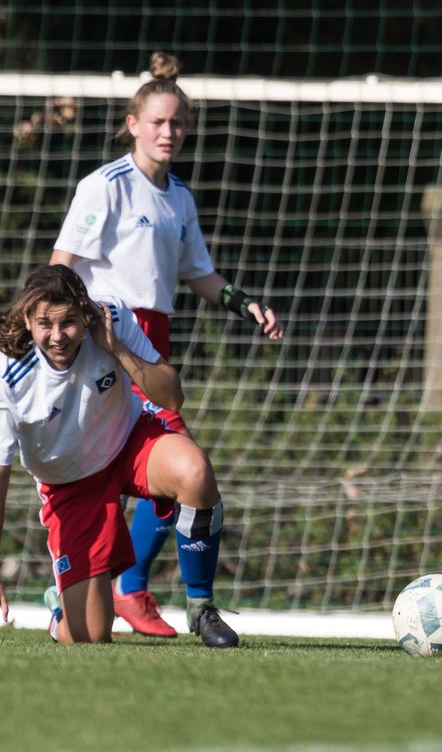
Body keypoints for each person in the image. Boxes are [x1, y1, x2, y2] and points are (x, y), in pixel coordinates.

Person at [49, 51, 282, 638]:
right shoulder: (104, 187)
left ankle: (147, 594)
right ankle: (101, 590)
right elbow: (60, 265)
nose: (168, 132)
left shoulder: (179, 196)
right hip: (105, 345)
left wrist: (241, 302)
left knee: (179, 473)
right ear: (133, 123)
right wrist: (79, 330)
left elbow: (199, 274)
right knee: (108, 472)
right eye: (157, 121)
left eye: (178, 123)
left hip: (153, 344)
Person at [0, 265, 238, 646]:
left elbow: (171, 397)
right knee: (89, 636)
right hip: (71, 486)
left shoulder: (112, 316)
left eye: (69, 323)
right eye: (45, 323)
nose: (58, 336)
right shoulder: (7, 372)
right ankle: (60, 610)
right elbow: (1, 471)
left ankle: (201, 606)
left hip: (129, 443)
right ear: (27, 319)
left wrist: (117, 348)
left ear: (84, 312)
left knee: (194, 471)